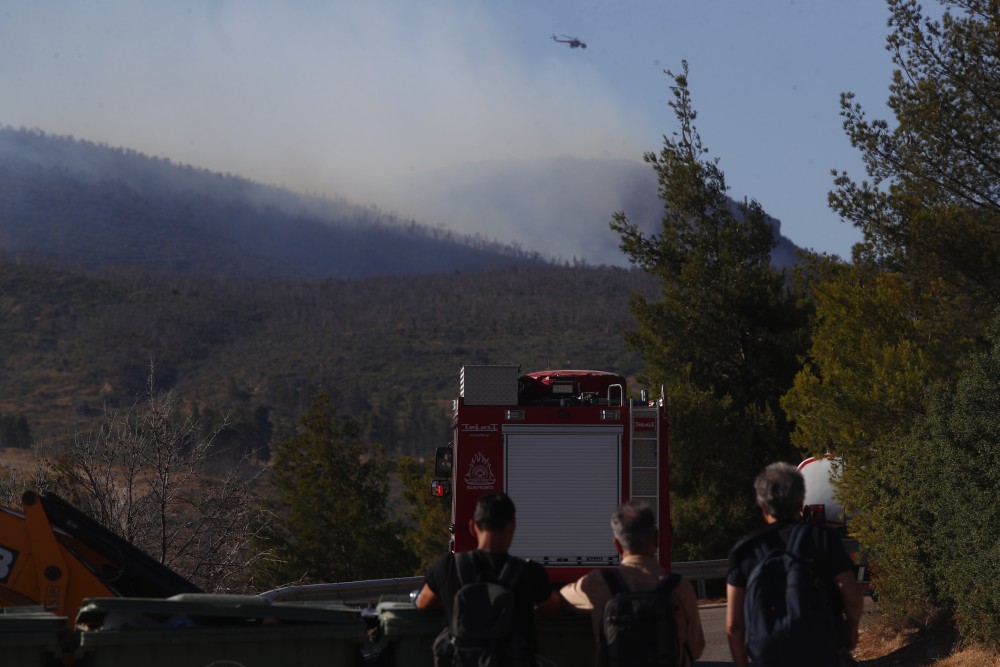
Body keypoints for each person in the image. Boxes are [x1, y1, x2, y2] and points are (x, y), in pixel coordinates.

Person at [726, 462, 864, 667]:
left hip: (769, 658)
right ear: (801, 503)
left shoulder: (746, 550)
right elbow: (852, 597)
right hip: (821, 653)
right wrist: (851, 630)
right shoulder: (823, 538)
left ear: (763, 507)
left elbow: (734, 626)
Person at [416, 492, 561, 662]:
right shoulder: (530, 572)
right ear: (512, 526)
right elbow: (553, 610)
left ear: (472, 526)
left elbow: (423, 603)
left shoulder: (447, 566)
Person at [559, 501, 705, 666]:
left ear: (617, 545)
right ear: (656, 539)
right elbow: (696, 648)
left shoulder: (597, 583)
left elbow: (562, 597)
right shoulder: (680, 586)